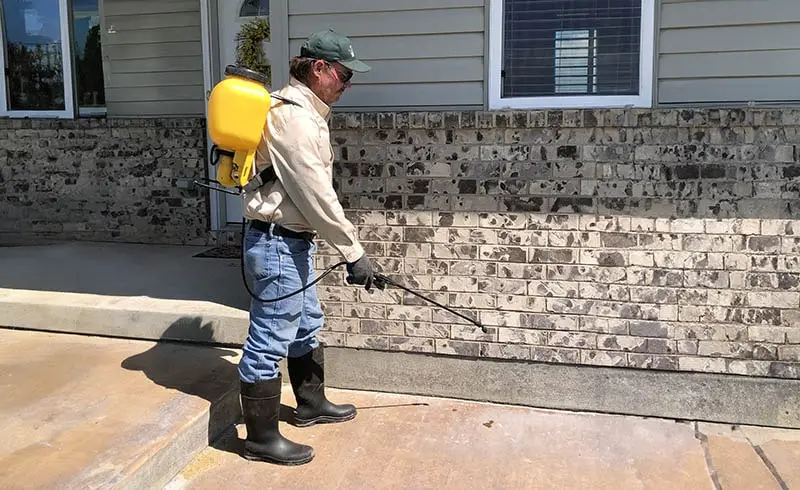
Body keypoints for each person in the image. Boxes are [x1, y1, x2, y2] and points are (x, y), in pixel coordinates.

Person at [237, 29, 380, 466]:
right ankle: (261, 439)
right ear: (319, 68)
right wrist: (353, 253)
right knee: (269, 338)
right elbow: (316, 195)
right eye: (344, 74)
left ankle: (310, 404)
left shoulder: (306, 112)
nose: (347, 84)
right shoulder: (295, 119)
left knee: (305, 324)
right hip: (277, 244)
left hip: (292, 244)